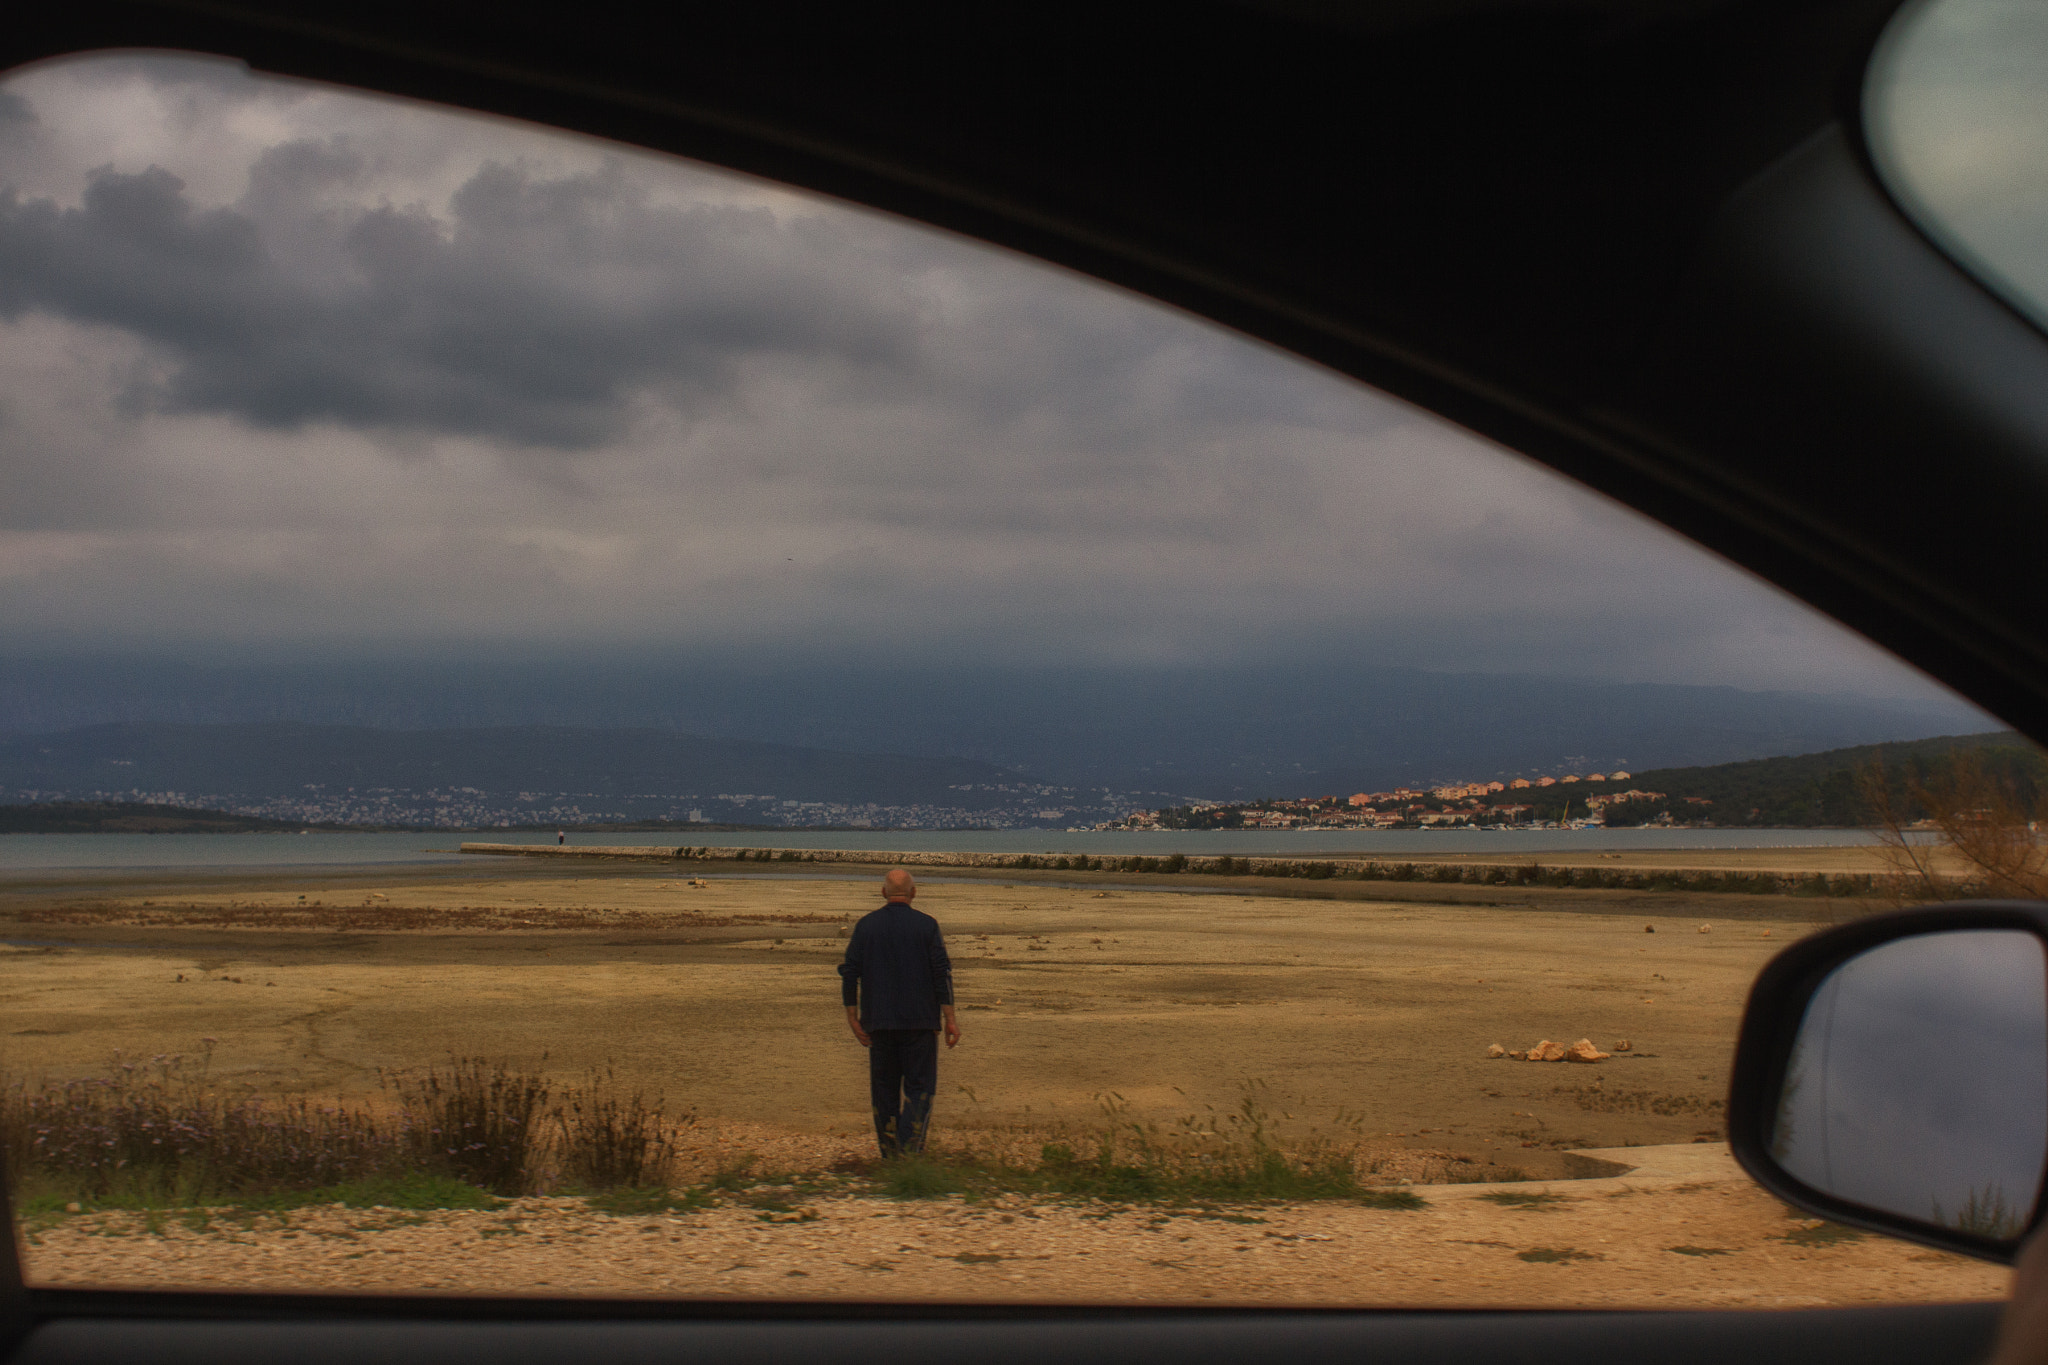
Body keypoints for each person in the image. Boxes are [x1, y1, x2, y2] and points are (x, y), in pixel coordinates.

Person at [837, 868, 960, 1157]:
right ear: (913, 893)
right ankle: (909, 1151)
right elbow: (942, 974)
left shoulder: (866, 927)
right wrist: (950, 1019)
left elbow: (849, 972)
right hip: (920, 1023)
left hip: (878, 1023)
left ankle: (892, 1154)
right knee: (920, 1090)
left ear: (883, 893)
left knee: (884, 1093)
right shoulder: (927, 926)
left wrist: (852, 1017)